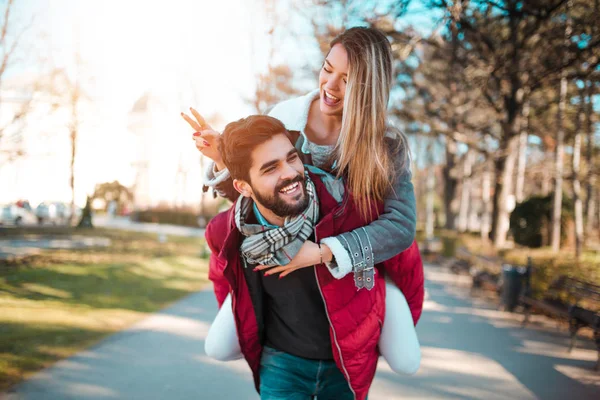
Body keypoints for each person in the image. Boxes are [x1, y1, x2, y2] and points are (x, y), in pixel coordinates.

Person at [205, 115, 423, 400]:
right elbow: (229, 290)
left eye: (291, 158)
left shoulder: (349, 209)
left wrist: (326, 253)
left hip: (345, 364)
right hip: (281, 363)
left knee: (408, 360)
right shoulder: (228, 232)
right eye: (271, 168)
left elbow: (404, 264)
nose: (291, 173)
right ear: (244, 187)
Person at [181, 26, 416, 285]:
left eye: (347, 80)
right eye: (327, 69)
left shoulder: (386, 146)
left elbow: (401, 226)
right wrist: (222, 159)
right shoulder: (280, 119)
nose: (330, 85)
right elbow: (251, 196)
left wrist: (322, 252)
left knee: (399, 325)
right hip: (278, 277)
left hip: (351, 280)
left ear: (369, 88)